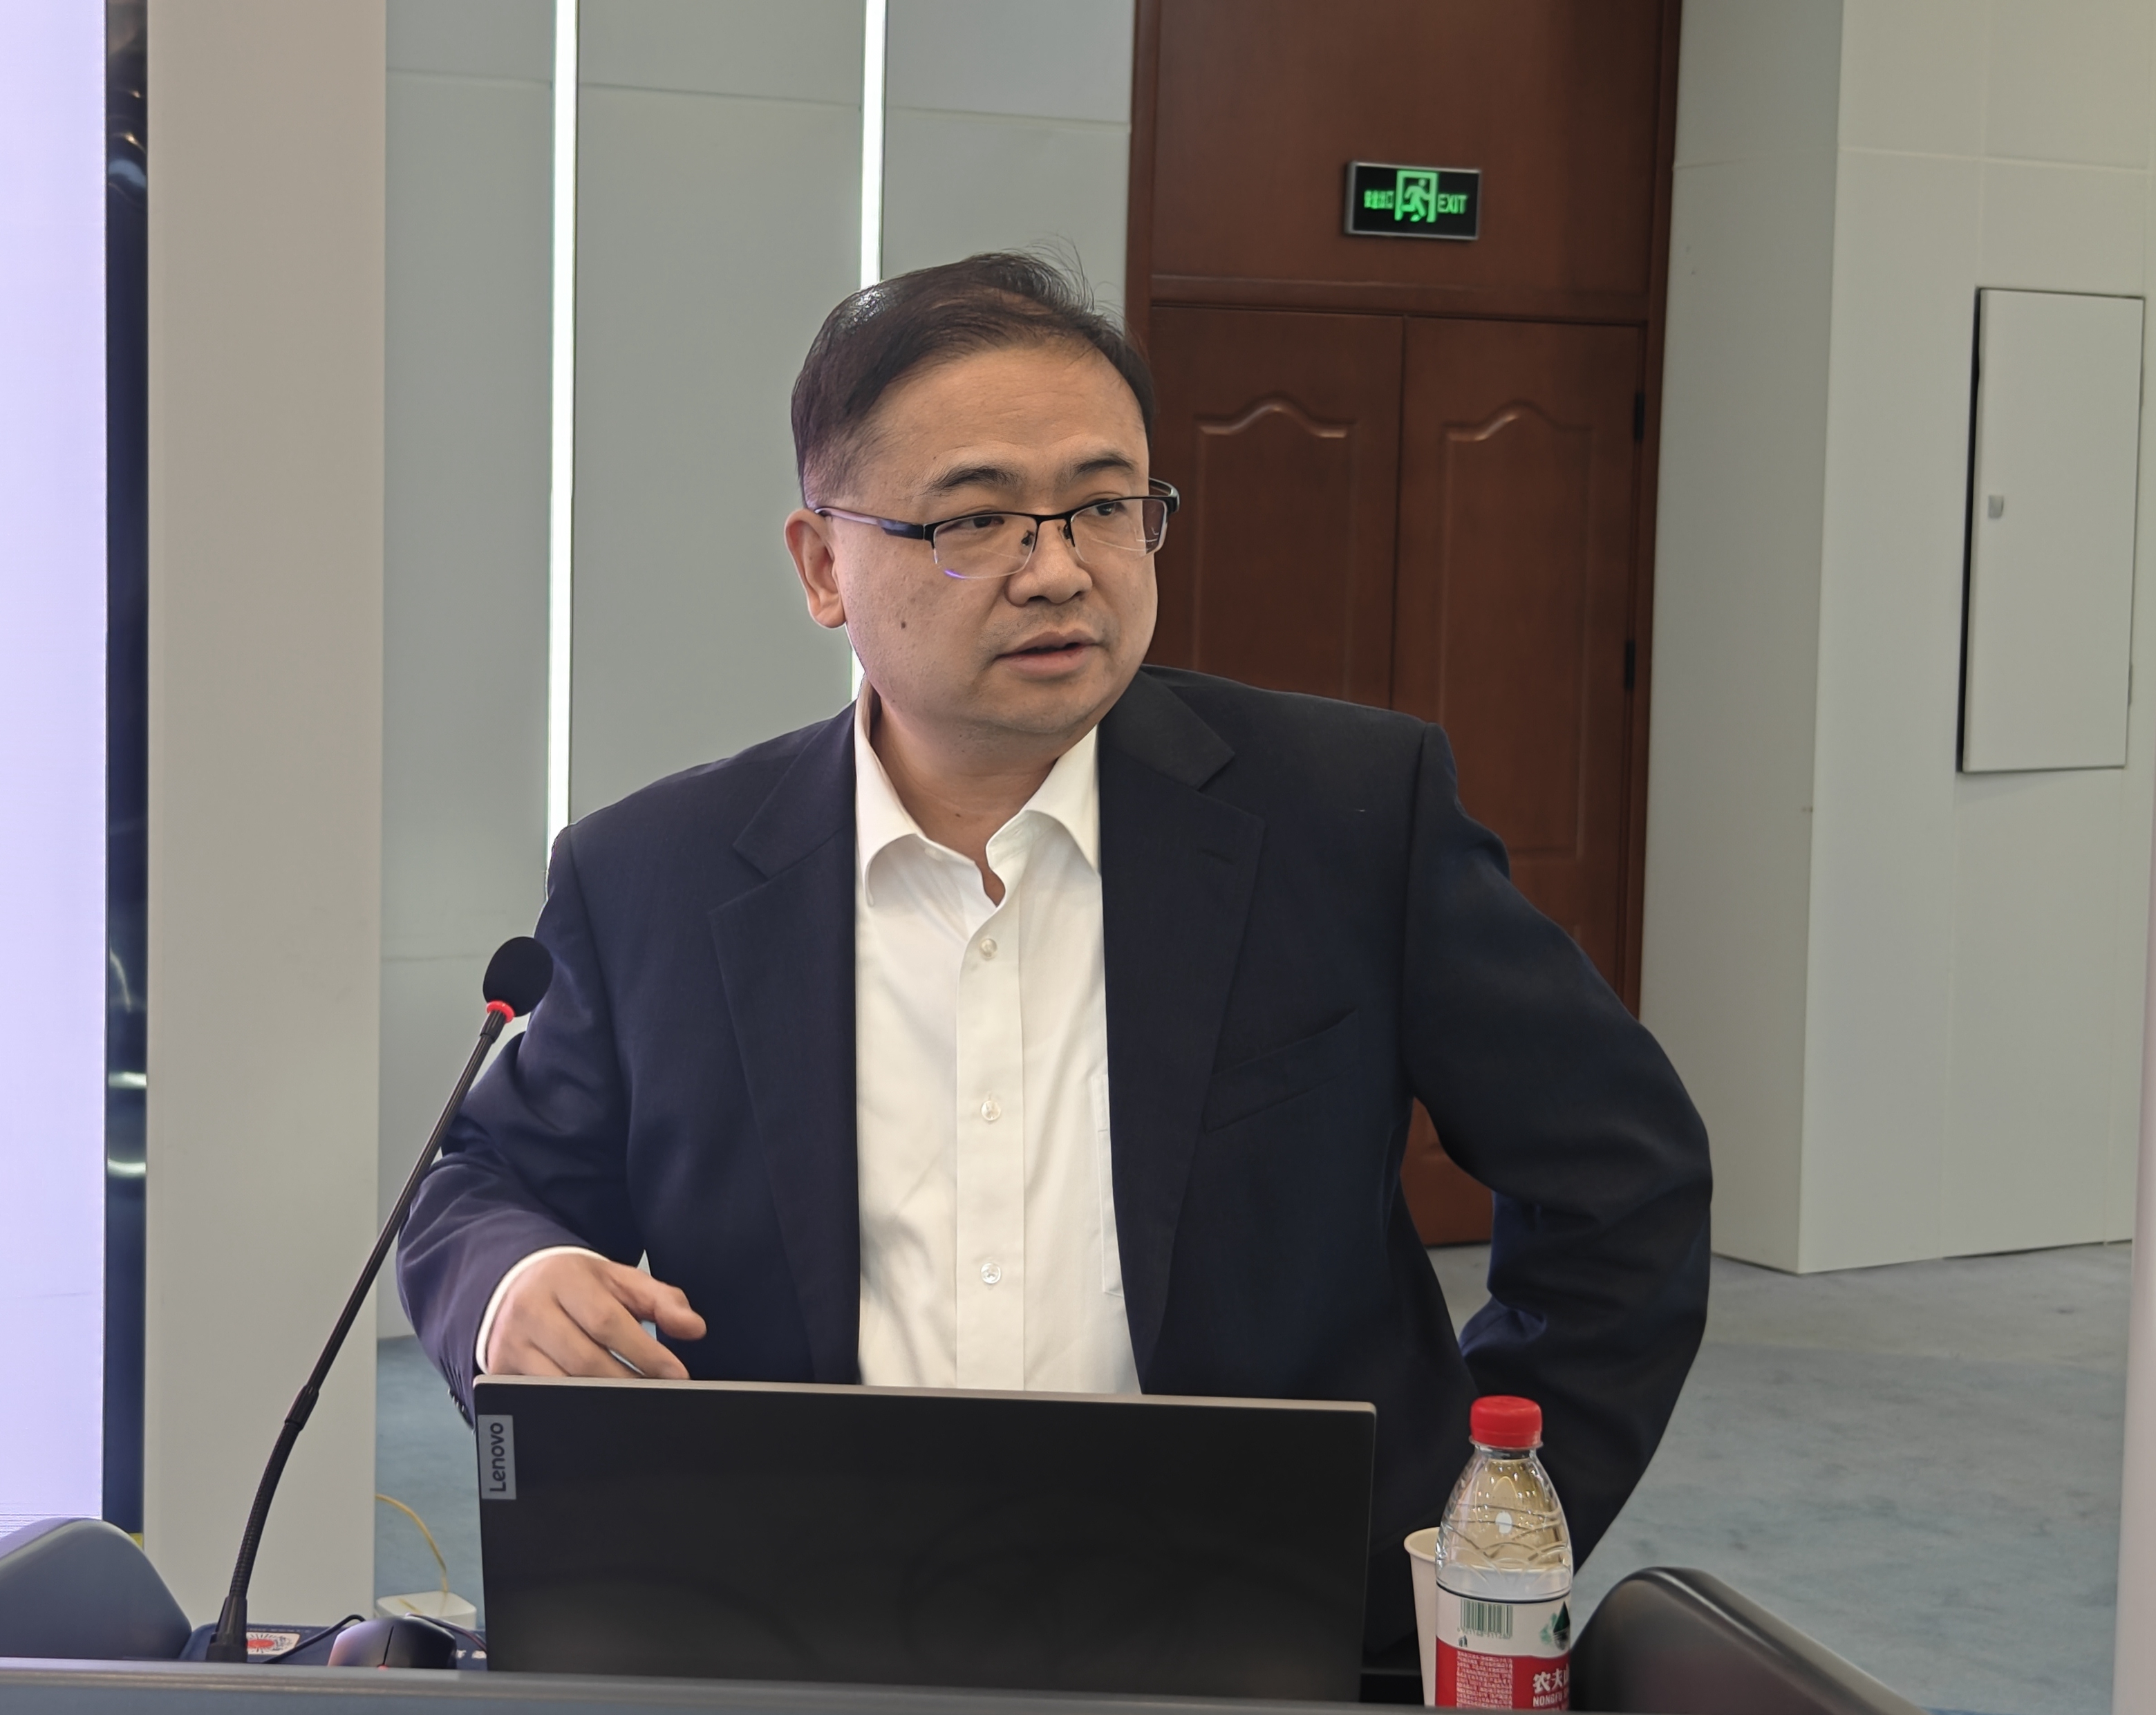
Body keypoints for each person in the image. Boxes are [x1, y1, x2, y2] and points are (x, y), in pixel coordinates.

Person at [397, 252, 1712, 1648]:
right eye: (976, 519)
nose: (1061, 569)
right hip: (800, 1623)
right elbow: (481, 1183)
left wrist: (1474, 1527)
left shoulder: (1347, 818)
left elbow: (1620, 1179)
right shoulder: (653, 876)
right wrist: (511, 1287)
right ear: (823, 566)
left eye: (1104, 505)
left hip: (1269, 1629)